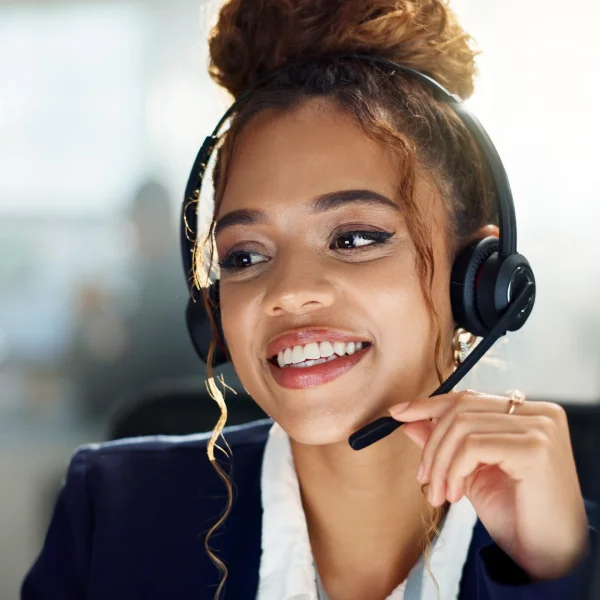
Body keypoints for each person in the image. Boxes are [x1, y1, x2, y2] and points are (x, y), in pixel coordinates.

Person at [21, 1, 598, 599]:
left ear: (480, 281)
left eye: (354, 238)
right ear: (214, 307)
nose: (289, 291)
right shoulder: (112, 514)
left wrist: (554, 571)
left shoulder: (568, 551)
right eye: (246, 256)